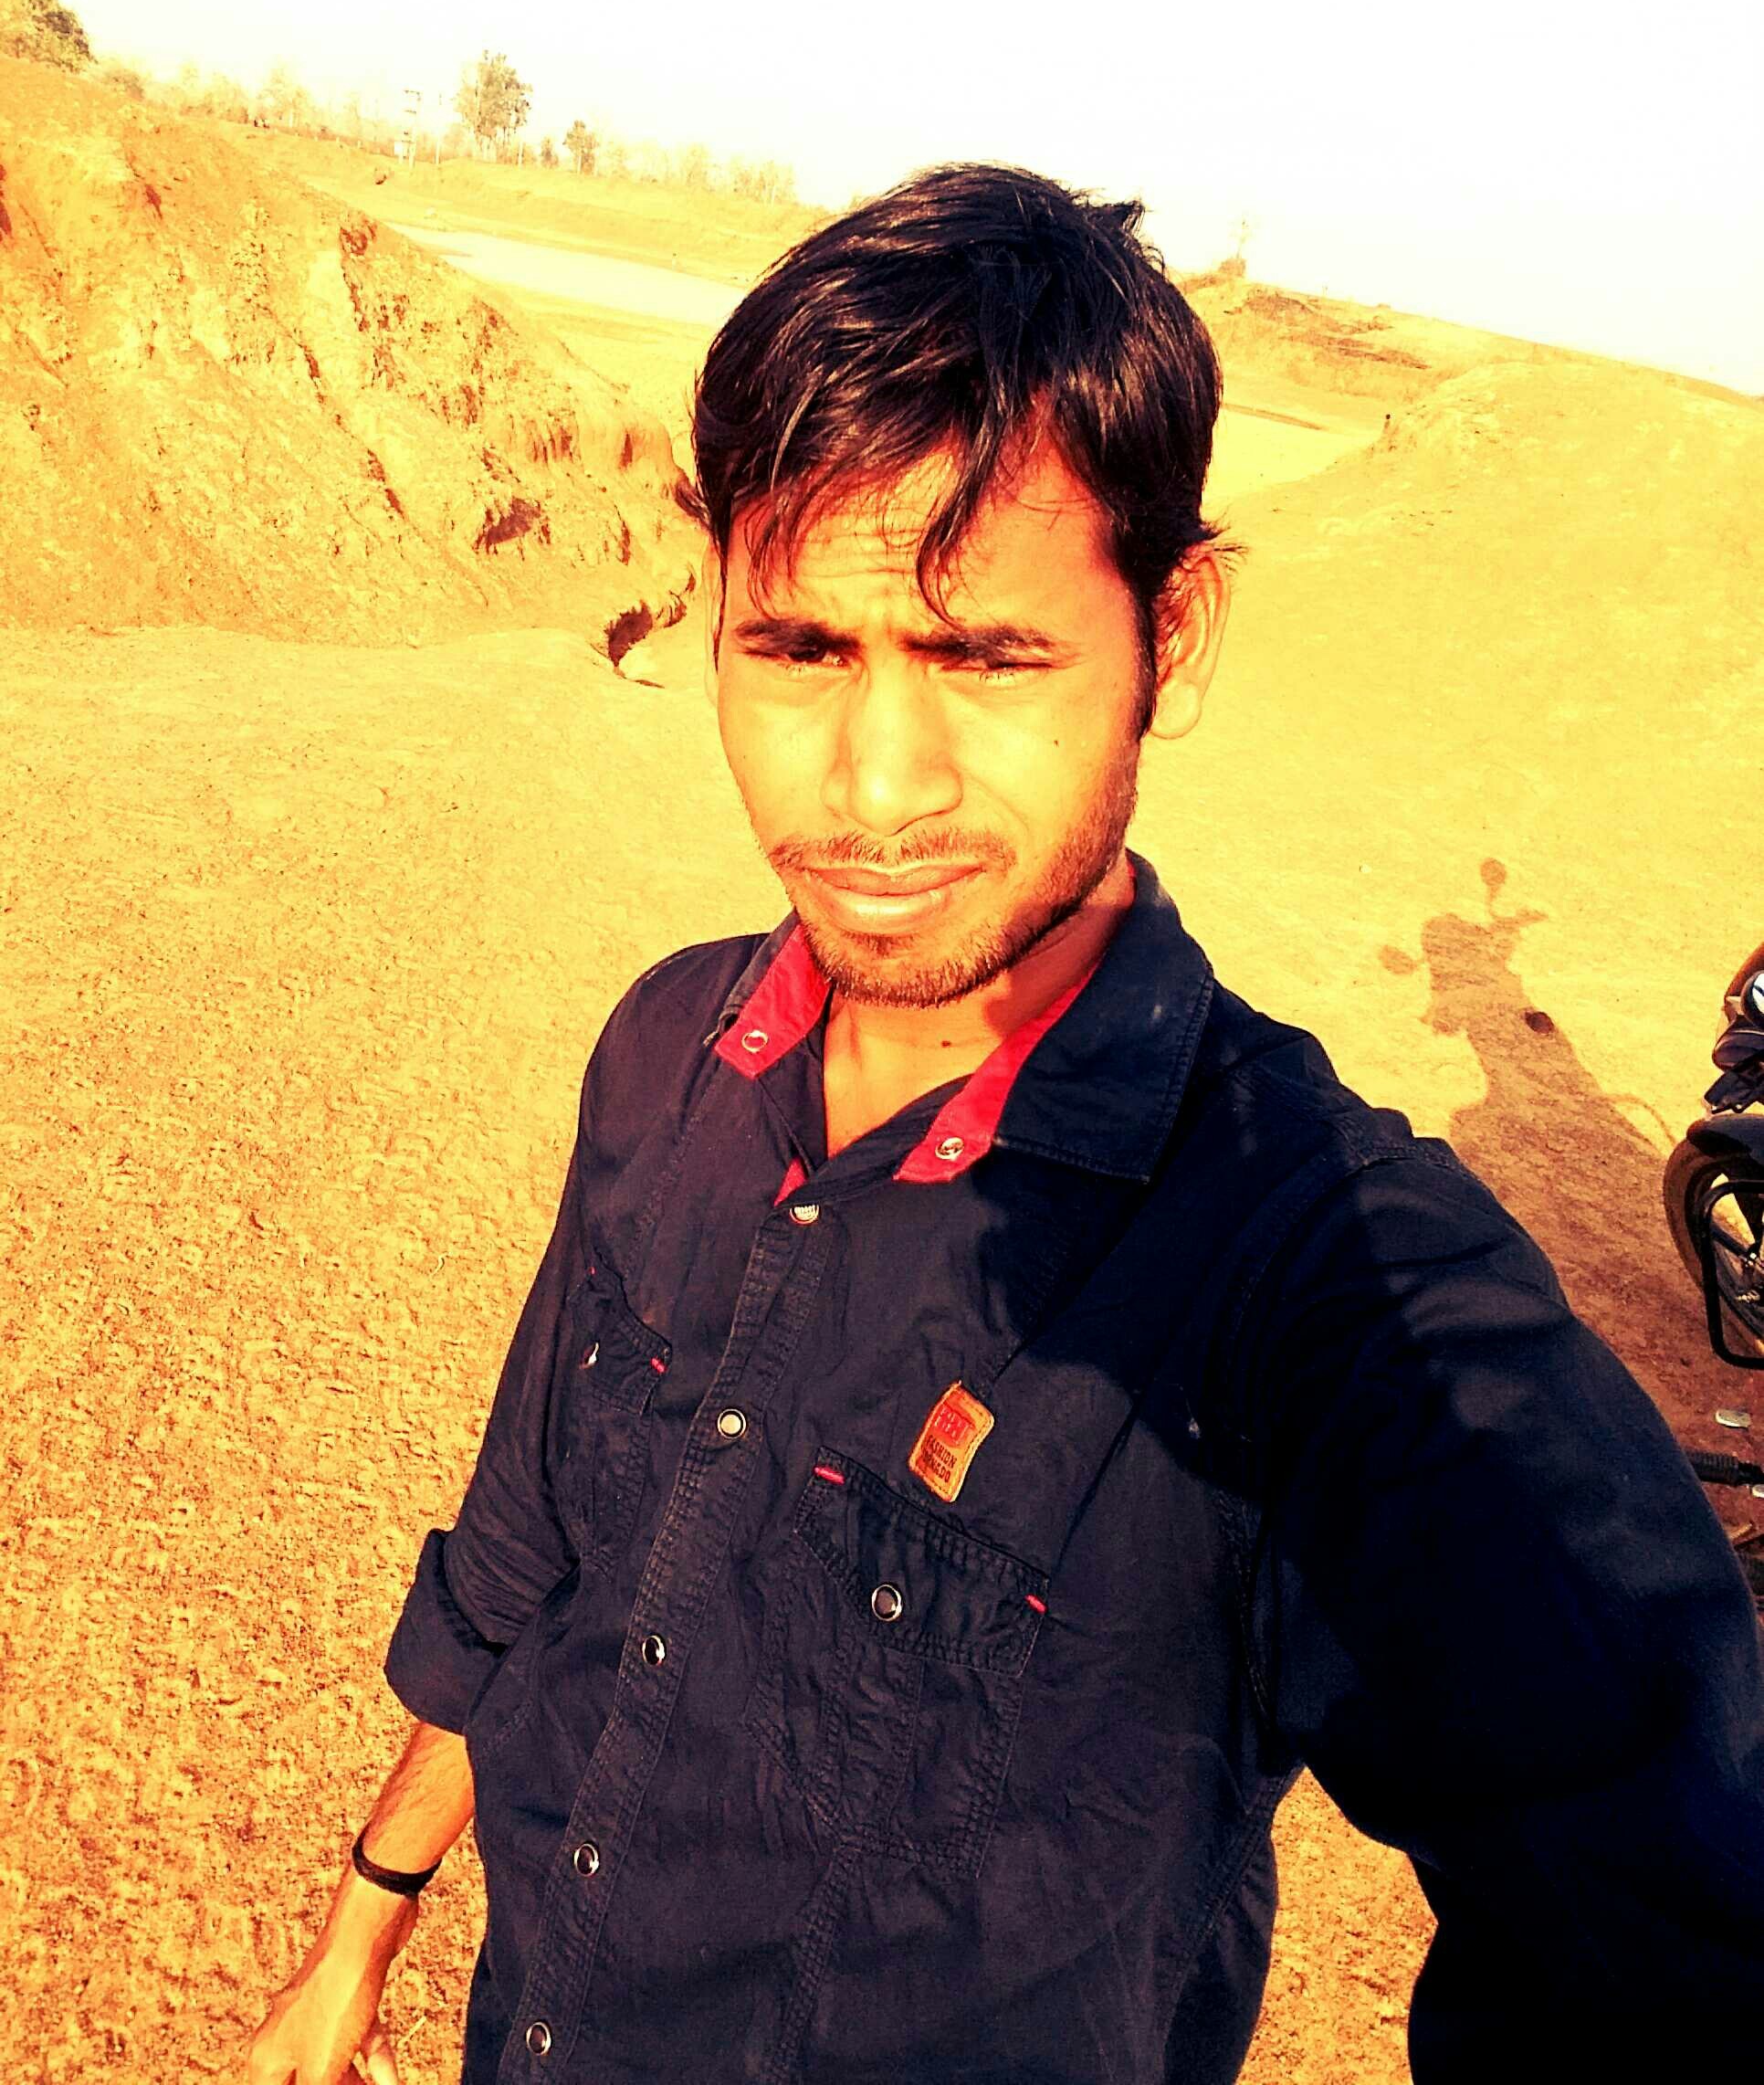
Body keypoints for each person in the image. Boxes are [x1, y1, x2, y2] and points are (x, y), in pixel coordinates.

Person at [247, 163, 1764, 2085]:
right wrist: (360, 1930)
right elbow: (525, 1554)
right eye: (800, 650)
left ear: (1173, 633)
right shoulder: (665, 1053)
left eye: (984, 657)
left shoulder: (1325, 1279)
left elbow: (1672, 1919)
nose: (875, 789)